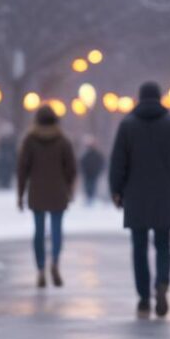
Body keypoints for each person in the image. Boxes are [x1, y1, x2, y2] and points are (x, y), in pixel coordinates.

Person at [109, 82, 170, 318]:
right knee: (163, 245)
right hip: (166, 195)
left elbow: (118, 163)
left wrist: (117, 190)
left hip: (135, 196)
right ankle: (163, 283)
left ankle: (144, 298)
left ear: (139, 98)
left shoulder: (126, 126)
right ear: (159, 98)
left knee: (139, 247)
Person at [17, 106, 76, 288]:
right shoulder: (63, 141)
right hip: (58, 192)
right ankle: (55, 262)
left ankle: (41, 269)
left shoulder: (29, 141)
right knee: (57, 230)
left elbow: (22, 169)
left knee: (39, 231)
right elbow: (71, 168)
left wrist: (20, 194)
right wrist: (69, 188)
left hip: (37, 192)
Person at [78, 136, 105, 205]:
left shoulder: (97, 154)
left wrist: (99, 171)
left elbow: (102, 163)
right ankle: (88, 198)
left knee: (92, 186)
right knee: (87, 186)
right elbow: (81, 163)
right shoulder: (85, 154)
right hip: (87, 174)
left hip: (94, 174)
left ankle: (91, 199)